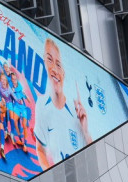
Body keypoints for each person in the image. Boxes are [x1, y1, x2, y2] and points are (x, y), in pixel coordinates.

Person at [33, 38, 92, 167]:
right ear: (44, 63)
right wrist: (51, 177)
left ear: (63, 73)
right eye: (49, 60)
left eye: (58, 65)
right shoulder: (42, 105)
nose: (54, 69)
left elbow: (94, 157)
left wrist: (86, 131)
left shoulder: (76, 111)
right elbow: (40, 150)